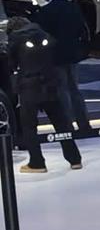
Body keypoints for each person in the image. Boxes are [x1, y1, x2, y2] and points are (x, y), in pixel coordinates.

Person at [5, 17, 82, 173]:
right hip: (51, 83)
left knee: (29, 127)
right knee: (61, 124)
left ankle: (37, 163)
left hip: (29, 87)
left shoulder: (15, 39)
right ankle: (75, 159)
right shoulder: (45, 35)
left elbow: (11, 64)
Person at [32, 0, 91, 133]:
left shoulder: (45, 10)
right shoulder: (73, 7)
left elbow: (40, 33)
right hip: (73, 53)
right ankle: (84, 124)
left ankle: (67, 125)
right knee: (74, 89)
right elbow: (82, 29)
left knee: (62, 90)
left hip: (55, 55)